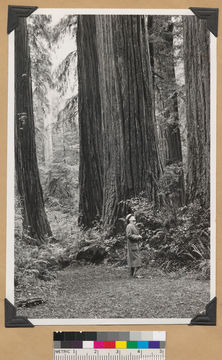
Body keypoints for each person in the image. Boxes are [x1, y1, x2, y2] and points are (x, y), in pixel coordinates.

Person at [126, 214, 143, 278]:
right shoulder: (129, 226)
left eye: (135, 220)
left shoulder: (133, 226)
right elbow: (129, 235)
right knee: (137, 260)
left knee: (133, 260)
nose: (134, 221)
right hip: (132, 245)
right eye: (133, 220)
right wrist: (138, 237)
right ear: (129, 220)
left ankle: (131, 274)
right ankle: (137, 275)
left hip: (134, 245)